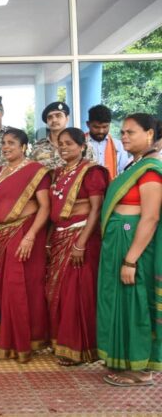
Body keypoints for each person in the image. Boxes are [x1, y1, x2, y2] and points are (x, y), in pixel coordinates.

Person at [98, 113, 162, 387]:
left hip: (133, 245)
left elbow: (150, 217)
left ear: (150, 134)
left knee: (136, 302)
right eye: (122, 132)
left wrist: (131, 260)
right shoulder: (133, 165)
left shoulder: (150, 170)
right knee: (121, 302)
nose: (124, 136)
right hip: (119, 241)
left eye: (130, 132)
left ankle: (142, 369)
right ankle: (124, 359)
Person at [46, 127, 108, 366]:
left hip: (82, 237)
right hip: (60, 236)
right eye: (61, 143)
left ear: (82, 146)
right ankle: (61, 342)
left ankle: (79, 348)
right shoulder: (58, 173)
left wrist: (81, 243)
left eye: (69, 143)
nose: (63, 148)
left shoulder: (92, 172)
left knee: (77, 293)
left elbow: (96, 209)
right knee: (59, 292)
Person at [0, 128, 50, 363]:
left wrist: (31, 236)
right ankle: (10, 338)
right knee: (2, 290)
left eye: (11, 143)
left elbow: (45, 207)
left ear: (24, 147)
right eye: (4, 143)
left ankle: (22, 343)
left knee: (19, 289)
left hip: (22, 232)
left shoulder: (36, 171)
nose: (6, 147)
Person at [31, 102, 96, 170]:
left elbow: (92, 169)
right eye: (50, 117)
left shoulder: (81, 143)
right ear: (47, 122)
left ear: (67, 118)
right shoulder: (38, 147)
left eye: (58, 116)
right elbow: (31, 171)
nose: (54, 120)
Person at [86, 104, 130, 180]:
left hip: (112, 186)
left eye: (105, 127)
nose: (101, 131)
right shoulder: (79, 144)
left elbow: (124, 172)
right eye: (96, 127)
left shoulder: (118, 145)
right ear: (88, 124)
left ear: (109, 125)